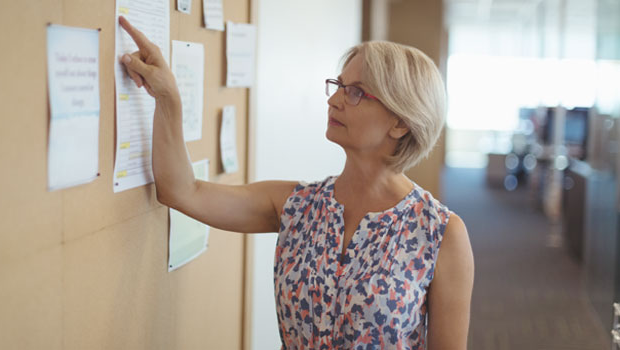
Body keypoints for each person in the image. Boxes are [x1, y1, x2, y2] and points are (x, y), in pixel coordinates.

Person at [117, 16, 474, 350]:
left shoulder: (440, 233)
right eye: (339, 86)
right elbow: (181, 191)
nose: (334, 100)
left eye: (356, 93)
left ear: (400, 123)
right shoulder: (296, 205)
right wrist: (168, 99)